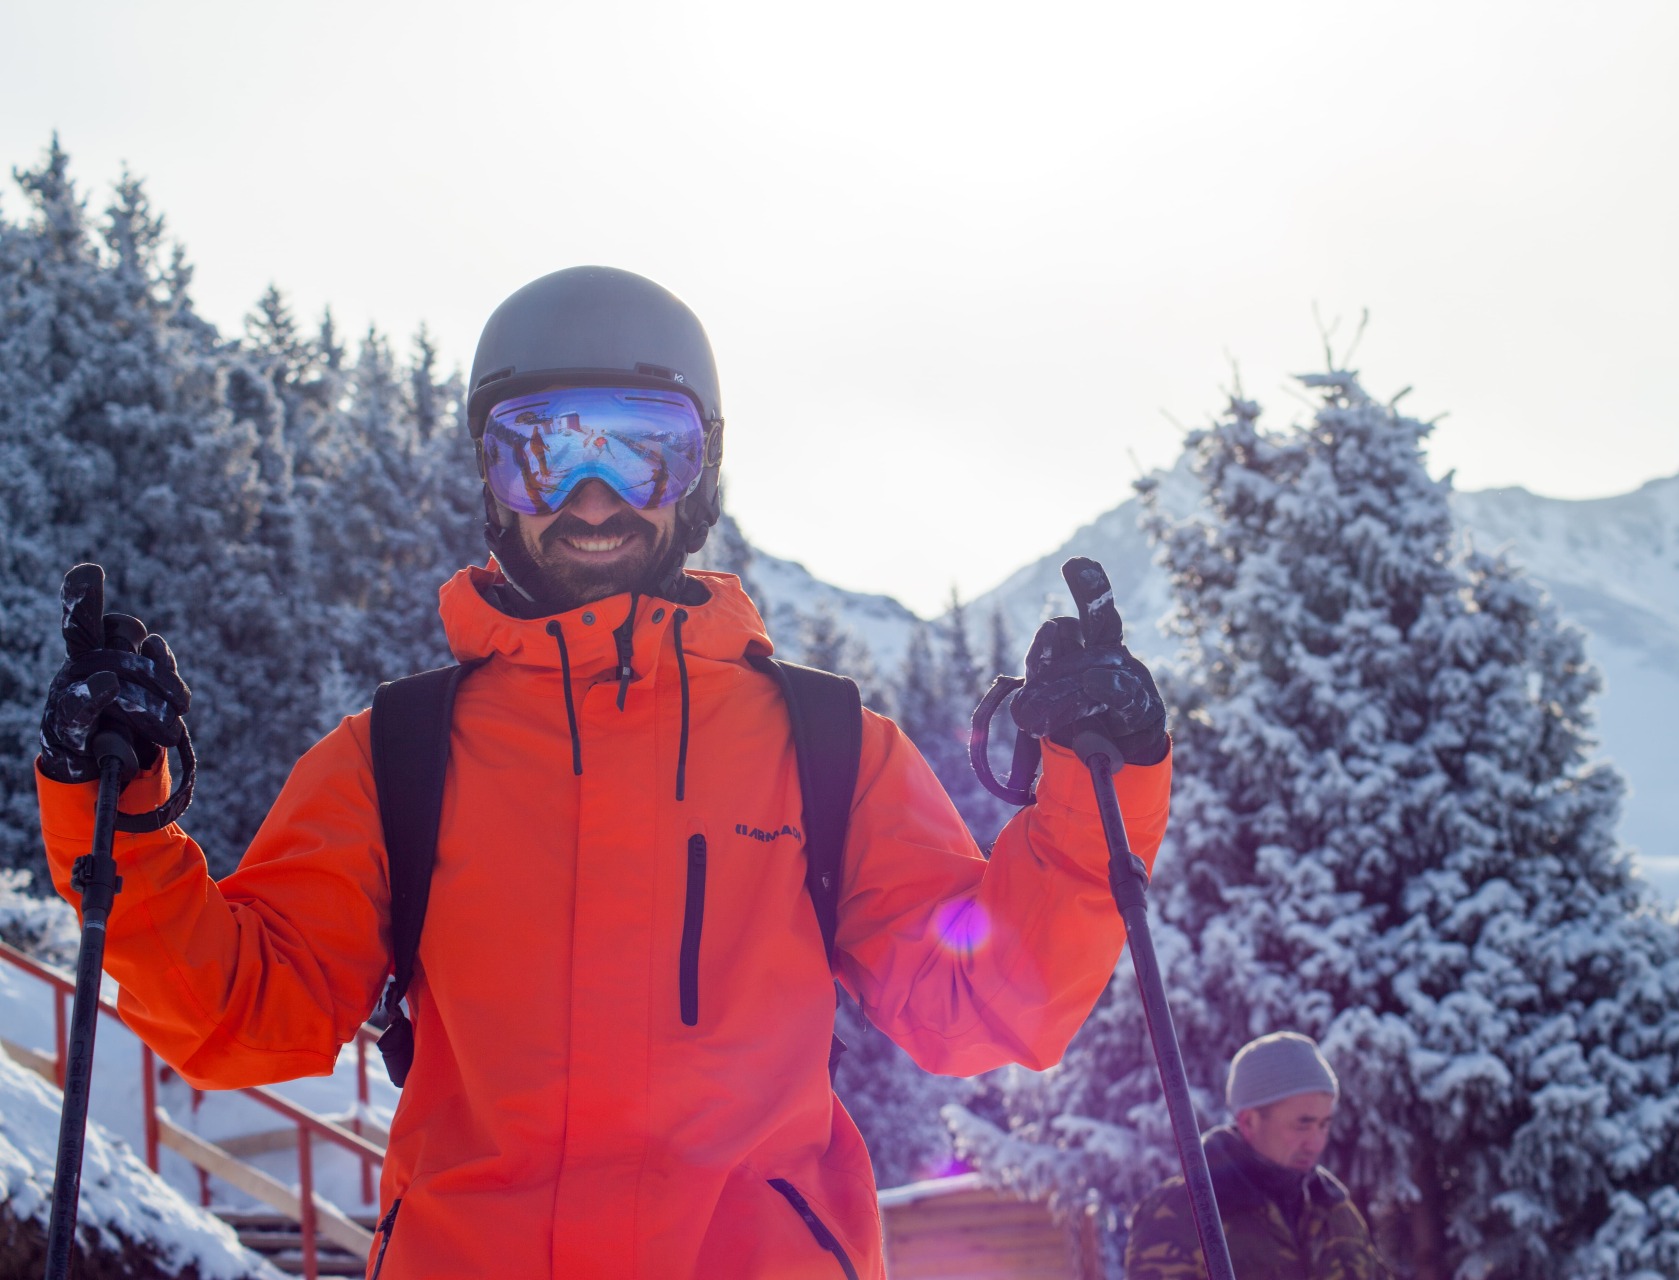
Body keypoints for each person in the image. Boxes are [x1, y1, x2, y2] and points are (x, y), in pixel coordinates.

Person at [35, 266, 1174, 1280]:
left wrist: (1096, 787)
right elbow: (248, 1007)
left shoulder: (825, 746)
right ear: (493, 477)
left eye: (638, 444)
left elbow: (982, 1002)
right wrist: (117, 824)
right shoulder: (399, 755)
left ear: (699, 469)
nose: (591, 492)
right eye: (542, 448)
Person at [1124, 1031, 1384, 1280]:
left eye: (1324, 1124)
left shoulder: (1335, 1209)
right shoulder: (1183, 1213)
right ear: (1248, 1121)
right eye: (1302, 1125)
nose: (1316, 1143)